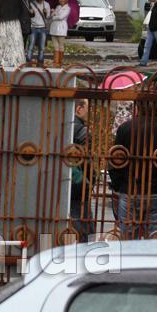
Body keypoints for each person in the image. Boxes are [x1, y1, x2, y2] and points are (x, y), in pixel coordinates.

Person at [108, 104, 157, 240]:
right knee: (154, 238)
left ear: (138, 108)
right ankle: (150, 260)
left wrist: (119, 185)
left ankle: (130, 260)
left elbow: (116, 159)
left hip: (130, 190)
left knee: (128, 239)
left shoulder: (126, 128)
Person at [70, 99, 95, 242]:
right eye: (87, 108)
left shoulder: (58, 126)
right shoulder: (82, 131)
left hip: (62, 183)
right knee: (85, 223)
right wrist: (90, 181)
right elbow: (87, 162)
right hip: (79, 185)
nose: (88, 112)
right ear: (79, 109)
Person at [26, 0, 50, 66]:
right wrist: (31, 13)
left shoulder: (46, 4)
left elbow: (48, 17)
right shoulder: (32, 3)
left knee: (42, 48)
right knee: (30, 47)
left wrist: (46, 12)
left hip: (43, 28)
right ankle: (29, 63)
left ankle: (40, 63)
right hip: (33, 28)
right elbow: (28, 15)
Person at [49, 0, 70, 67]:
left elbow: (61, 17)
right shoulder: (57, 7)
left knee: (61, 45)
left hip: (61, 28)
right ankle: (56, 61)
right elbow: (51, 16)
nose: (61, 0)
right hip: (54, 27)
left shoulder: (67, 8)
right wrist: (53, 12)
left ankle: (60, 62)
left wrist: (55, 15)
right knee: (55, 45)